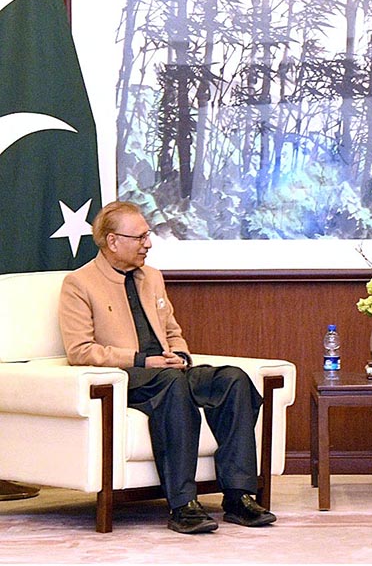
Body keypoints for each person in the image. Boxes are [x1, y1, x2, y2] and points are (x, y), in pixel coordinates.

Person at [59, 201, 276, 534]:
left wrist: (181, 355)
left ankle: (238, 496)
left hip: (170, 371)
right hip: (128, 378)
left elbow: (173, 332)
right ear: (113, 241)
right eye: (141, 237)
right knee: (171, 385)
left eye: (148, 235)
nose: (148, 243)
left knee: (233, 379)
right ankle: (183, 505)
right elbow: (80, 350)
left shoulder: (153, 277)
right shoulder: (79, 283)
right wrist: (141, 360)